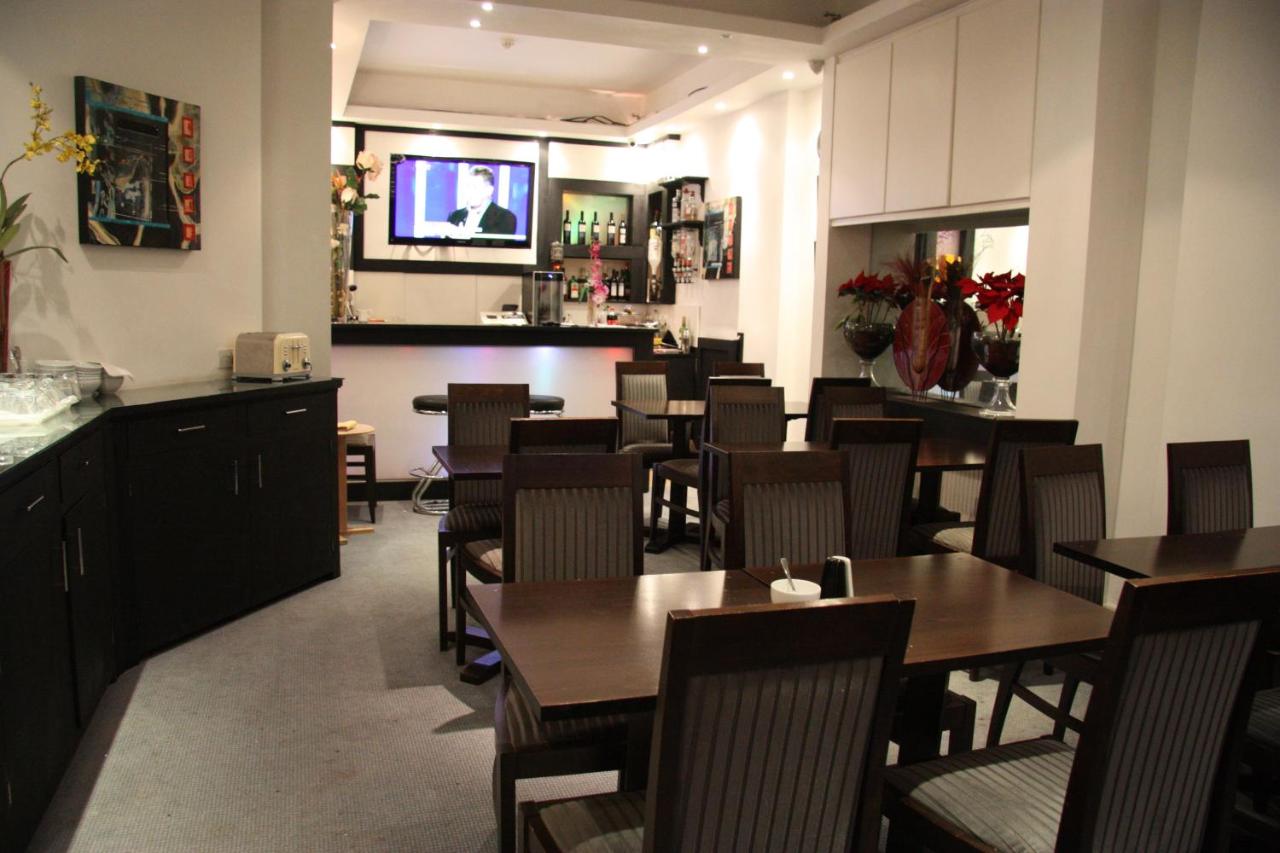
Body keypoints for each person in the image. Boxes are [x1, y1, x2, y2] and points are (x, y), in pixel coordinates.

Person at [446, 165, 517, 238]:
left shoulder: (506, 218)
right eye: (467, 187)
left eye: (475, 187)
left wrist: (465, 237)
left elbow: (498, 244)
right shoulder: (455, 216)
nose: (469, 192)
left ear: (489, 191)